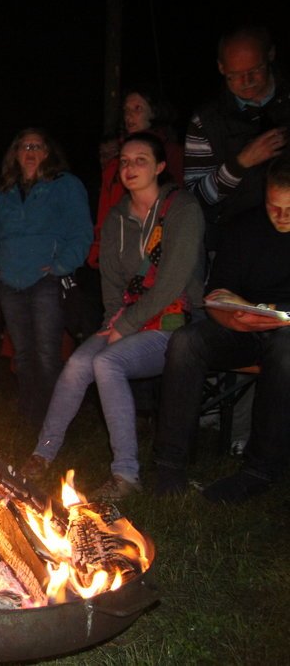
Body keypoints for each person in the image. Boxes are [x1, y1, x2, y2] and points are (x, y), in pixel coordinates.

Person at [19, 133, 205, 499]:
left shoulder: (183, 210)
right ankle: (43, 453)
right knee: (78, 363)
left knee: (108, 363)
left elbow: (172, 284)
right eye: (124, 161)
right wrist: (111, 324)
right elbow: (112, 284)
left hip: (175, 321)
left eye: (140, 160)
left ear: (160, 166)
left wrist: (125, 326)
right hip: (128, 318)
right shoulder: (117, 217)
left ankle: (126, 476)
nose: (130, 168)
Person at [154, 155, 290, 503]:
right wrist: (234, 317)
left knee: (285, 349)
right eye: (274, 207)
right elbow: (217, 293)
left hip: (286, 336)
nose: (281, 217)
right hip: (245, 328)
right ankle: (169, 465)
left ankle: (259, 470)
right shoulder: (246, 227)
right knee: (186, 342)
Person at [0, 128, 93, 426]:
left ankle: (53, 420)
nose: (30, 152)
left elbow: (82, 231)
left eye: (37, 146)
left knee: (47, 352)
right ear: (15, 154)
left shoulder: (65, 185)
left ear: (48, 152)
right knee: (23, 352)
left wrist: (62, 265)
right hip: (9, 281)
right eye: (25, 147)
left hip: (45, 279)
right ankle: (30, 414)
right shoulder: (6, 192)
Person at [185, 25, 289, 245]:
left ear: (270, 55)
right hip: (238, 242)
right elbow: (195, 197)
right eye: (236, 75)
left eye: (255, 70)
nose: (247, 80)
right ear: (221, 68)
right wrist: (240, 163)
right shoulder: (206, 121)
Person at [89, 89, 184, 269]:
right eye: (126, 110)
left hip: (160, 252)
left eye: (137, 108)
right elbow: (105, 215)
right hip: (120, 252)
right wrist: (100, 251)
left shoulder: (172, 154)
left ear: (154, 112)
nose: (129, 115)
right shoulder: (114, 165)